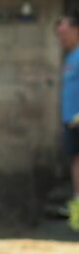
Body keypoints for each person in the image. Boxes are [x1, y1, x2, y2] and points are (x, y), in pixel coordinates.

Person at [56, 11, 79, 206]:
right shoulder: (70, 57)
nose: (61, 38)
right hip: (70, 119)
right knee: (74, 159)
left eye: (64, 33)